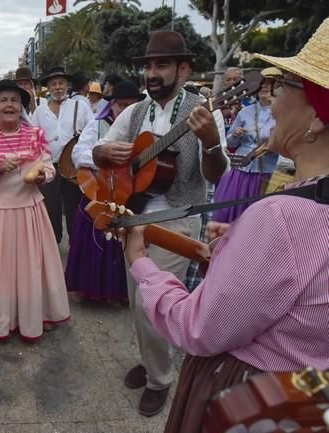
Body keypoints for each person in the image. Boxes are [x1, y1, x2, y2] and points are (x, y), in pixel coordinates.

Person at [123, 19, 329, 433]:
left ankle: (158, 376)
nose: (269, 100)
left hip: (260, 398)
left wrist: (140, 262)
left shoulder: (281, 218)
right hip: (311, 392)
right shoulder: (135, 111)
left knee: (156, 313)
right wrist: (242, 244)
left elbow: (199, 328)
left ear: (318, 118)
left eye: (284, 85)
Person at [92, 30, 228, 416]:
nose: (152, 73)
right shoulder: (135, 112)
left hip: (176, 221)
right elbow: (94, 152)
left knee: (153, 303)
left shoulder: (205, 110)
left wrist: (212, 143)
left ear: (183, 69)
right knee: (136, 299)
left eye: (161, 65)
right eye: (149, 65)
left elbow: (215, 174)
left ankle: (160, 379)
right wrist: (104, 151)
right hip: (132, 215)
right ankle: (153, 360)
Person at [0, 80, 70, 340]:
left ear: (22, 107)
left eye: (15, 100)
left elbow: (49, 167)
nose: (10, 105)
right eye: (4, 100)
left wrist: (42, 176)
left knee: (30, 267)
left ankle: (33, 315)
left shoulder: (36, 135)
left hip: (28, 212)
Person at [67, 81, 146, 304]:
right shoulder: (97, 125)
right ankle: (88, 289)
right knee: (92, 241)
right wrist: (102, 157)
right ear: (111, 105)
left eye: (131, 105)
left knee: (124, 240)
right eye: (121, 105)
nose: (125, 110)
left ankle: (120, 293)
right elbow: (77, 155)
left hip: (128, 194)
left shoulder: (143, 129)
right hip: (98, 191)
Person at [32, 66, 95, 244]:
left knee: (75, 208)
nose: (58, 87)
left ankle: (77, 246)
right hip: (49, 167)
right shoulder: (39, 111)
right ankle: (52, 244)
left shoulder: (80, 106)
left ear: (67, 85)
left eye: (61, 83)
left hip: (74, 168)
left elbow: (93, 131)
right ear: (48, 88)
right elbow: (33, 138)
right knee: (50, 208)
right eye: (54, 84)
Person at [212, 68, 282, 223]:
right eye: (261, 83)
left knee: (256, 222)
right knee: (227, 218)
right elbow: (229, 143)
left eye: (269, 84)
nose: (264, 87)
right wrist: (235, 135)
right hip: (240, 173)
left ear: (276, 87)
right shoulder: (246, 112)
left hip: (265, 175)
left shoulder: (282, 114)